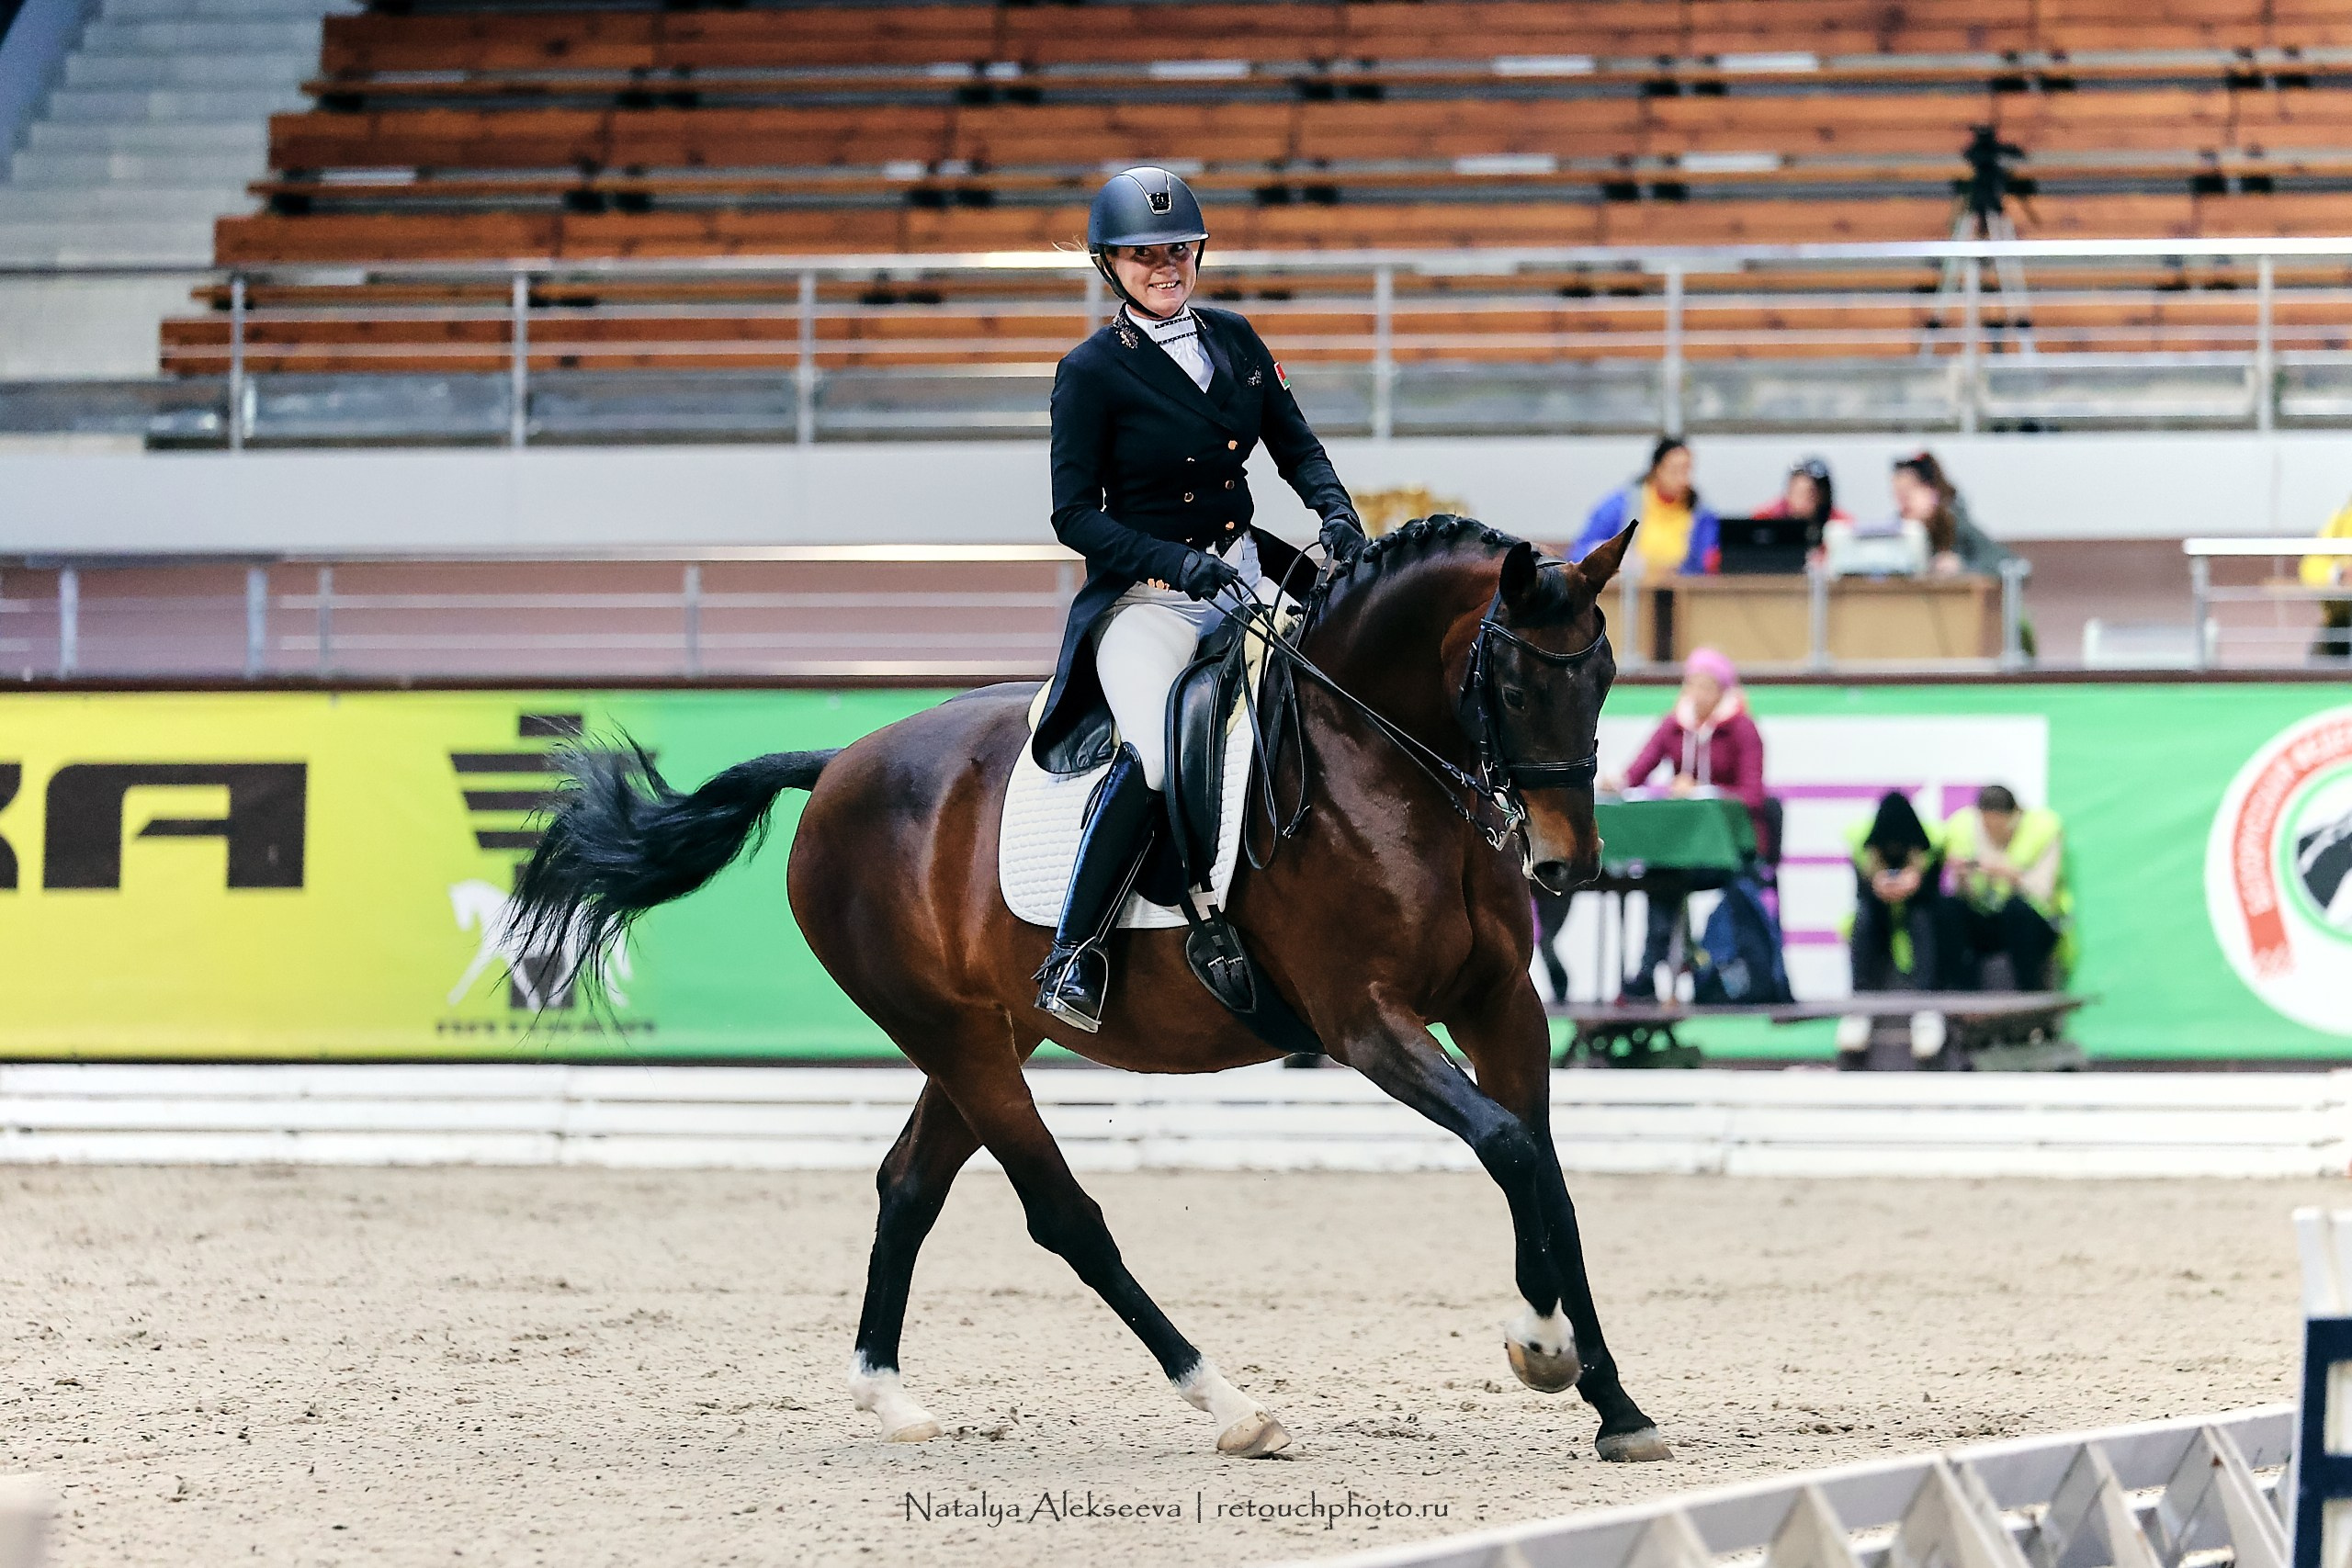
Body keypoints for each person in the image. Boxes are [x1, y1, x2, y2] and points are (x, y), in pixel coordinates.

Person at [1031, 165, 1365, 1033]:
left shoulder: (1236, 338)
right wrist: (1178, 565)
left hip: (1248, 572)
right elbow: (1072, 514)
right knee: (1151, 750)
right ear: (1112, 265)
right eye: (1145, 255)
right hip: (1148, 600)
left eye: (1177, 249)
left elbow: (1297, 447)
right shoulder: (1091, 371)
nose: (1164, 265)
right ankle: (1076, 948)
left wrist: (1337, 514)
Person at [1596, 646, 1764, 999]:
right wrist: (1620, 781)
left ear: (1722, 691)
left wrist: (1705, 791)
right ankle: (1648, 969)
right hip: (1678, 849)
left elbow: (1753, 796)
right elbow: (1640, 769)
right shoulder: (1674, 724)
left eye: (1707, 686)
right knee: (1660, 875)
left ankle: (1664, 969)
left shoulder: (1742, 730)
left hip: (1728, 852)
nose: (1697, 694)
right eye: (1692, 685)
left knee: (1668, 877)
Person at [1838, 791, 1957, 1060]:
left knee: (1925, 917)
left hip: (1920, 913)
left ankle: (1928, 1008)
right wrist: (1876, 886)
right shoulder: (1858, 839)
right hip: (1878, 915)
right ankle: (1860, 1006)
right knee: (1865, 916)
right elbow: (1862, 893)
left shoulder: (1935, 839)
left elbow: (1933, 892)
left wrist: (1915, 882)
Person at [1942, 784, 2072, 990]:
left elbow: (2043, 891)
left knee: (2016, 911)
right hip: (1987, 918)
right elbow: (1959, 893)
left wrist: (2008, 873)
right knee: (1948, 908)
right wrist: (1962, 875)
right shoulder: (1962, 828)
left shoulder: (2043, 829)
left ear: (2015, 816)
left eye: (1999, 827)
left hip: (2033, 923)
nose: (1993, 833)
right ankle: (1963, 1001)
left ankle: (2030, 1001)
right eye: (1987, 826)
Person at [1572, 434, 1720, 579]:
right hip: (1629, 591)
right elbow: (1580, 553)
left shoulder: (1701, 514)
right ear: (1657, 469)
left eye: (1686, 471)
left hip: (1679, 592)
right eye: (1674, 471)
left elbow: (1705, 566)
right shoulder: (1623, 505)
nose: (1682, 480)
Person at [1892, 450, 2013, 577]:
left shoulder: (1955, 526)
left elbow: (2009, 563)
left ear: (1932, 491)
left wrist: (1963, 566)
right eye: (1898, 492)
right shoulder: (1896, 532)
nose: (1903, 499)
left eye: (1910, 489)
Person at [2302, 497, 2352, 660]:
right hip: (2341, 619)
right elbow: (2311, 566)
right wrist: (2339, 573)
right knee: (2317, 661)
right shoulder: (2344, 515)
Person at [1753, 455, 1849, 538]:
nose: (1808, 498)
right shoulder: (1766, 520)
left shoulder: (1840, 526)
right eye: (1801, 492)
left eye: (1814, 493)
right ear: (1790, 491)